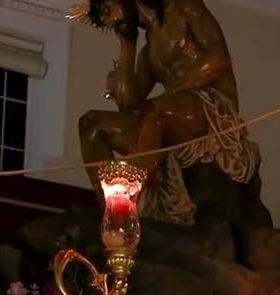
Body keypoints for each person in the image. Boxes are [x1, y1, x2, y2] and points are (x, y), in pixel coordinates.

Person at [75, 0, 259, 223]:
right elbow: (127, 104)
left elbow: (218, 59)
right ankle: (112, 214)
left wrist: (169, 97)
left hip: (210, 103)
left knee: (155, 112)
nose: (113, 21)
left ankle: (129, 200)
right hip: (170, 114)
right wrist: (127, 44)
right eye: (107, 22)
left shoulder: (184, 7)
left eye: (108, 10)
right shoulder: (148, 52)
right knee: (92, 124)